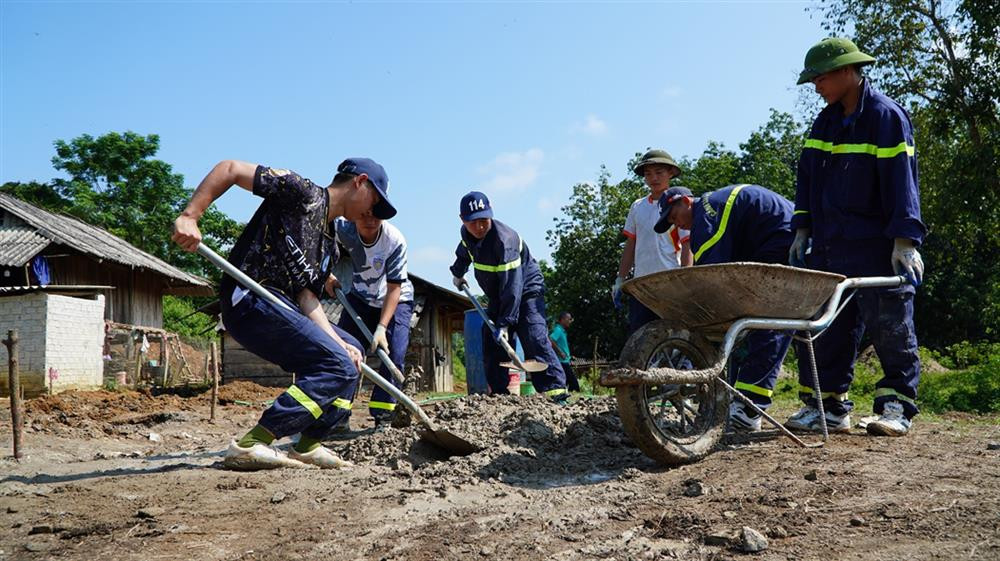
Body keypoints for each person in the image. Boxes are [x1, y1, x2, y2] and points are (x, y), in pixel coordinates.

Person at [172, 158, 396, 469]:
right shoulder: (302, 194)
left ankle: (308, 444)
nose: (371, 213)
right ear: (360, 182)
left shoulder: (329, 246)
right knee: (338, 363)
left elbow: (307, 298)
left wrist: (337, 341)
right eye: (375, 201)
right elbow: (231, 169)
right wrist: (190, 215)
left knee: (352, 353)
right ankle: (252, 443)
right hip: (250, 298)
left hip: (285, 306)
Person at [788, 37, 926, 437]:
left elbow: (903, 182)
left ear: (847, 71)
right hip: (830, 244)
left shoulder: (886, 117)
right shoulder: (824, 122)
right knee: (823, 326)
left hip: (875, 244)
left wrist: (905, 239)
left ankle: (895, 404)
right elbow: (808, 180)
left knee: (890, 324)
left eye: (820, 78)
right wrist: (802, 229)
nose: (816, 86)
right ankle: (826, 406)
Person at [654, 184, 795, 432]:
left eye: (675, 217)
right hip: (775, 235)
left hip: (780, 235)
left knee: (768, 320)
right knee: (763, 321)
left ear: (686, 201)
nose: (678, 226)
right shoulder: (715, 209)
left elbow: (710, 274)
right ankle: (818, 404)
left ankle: (749, 408)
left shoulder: (706, 212)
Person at [449, 191, 568, 400]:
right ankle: (500, 394)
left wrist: (505, 324)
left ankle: (555, 391)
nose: (479, 227)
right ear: (463, 220)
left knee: (533, 335)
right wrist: (458, 273)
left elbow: (513, 286)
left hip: (527, 290)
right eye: (473, 222)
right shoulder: (468, 236)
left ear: (491, 214)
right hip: (499, 293)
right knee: (491, 337)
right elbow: (464, 252)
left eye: (484, 220)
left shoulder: (505, 241)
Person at [329, 210, 414, 431]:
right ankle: (338, 416)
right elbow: (319, 237)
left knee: (393, 353)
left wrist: (382, 327)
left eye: (376, 215)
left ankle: (384, 415)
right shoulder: (342, 228)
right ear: (354, 213)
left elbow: (394, 288)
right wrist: (325, 272)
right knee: (344, 351)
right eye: (364, 214)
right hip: (360, 297)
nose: (370, 220)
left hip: (396, 300)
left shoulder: (394, 240)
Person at [615, 149, 693, 335]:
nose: (654, 178)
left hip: (669, 279)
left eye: (659, 172)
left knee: (674, 333)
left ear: (671, 173)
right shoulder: (637, 206)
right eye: (648, 174)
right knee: (640, 335)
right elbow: (631, 244)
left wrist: (686, 278)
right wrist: (620, 278)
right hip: (642, 283)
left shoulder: (678, 204)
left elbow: (687, 244)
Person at [549, 312, 579, 392]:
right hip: (561, 361)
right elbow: (551, 340)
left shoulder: (562, 331)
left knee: (565, 381)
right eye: (568, 319)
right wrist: (560, 352)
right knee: (573, 383)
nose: (570, 321)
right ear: (562, 320)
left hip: (565, 360)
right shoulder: (558, 330)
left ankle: (566, 395)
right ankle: (576, 396)